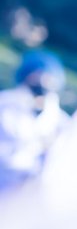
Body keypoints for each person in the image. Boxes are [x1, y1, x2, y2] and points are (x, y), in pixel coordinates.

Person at [0, 49, 70, 191]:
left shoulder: (61, 122)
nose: (42, 80)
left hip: (31, 195)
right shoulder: (4, 104)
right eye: (36, 75)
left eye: (48, 76)